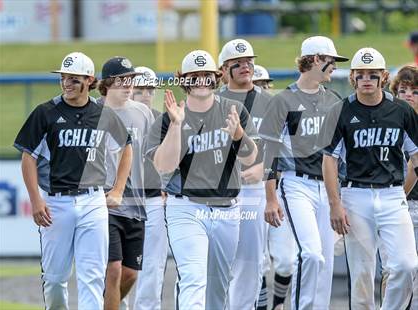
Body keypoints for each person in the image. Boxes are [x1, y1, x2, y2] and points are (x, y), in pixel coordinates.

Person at [13, 52, 132, 310]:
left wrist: (119, 188)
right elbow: (28, 157)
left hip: (93, 201)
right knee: (55, 280)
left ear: (89, 80)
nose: (66, 83)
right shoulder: (45, 112)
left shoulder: (103, 113)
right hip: (56, 203)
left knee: (91, 277)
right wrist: (35, 200)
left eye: (73, 78)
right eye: (64, 77)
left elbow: (126, 147)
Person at [145, 49, 258, 310]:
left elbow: (251, 159)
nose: (201, 81)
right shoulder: (168, 119)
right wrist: (175, 126)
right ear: (183, 80)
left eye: (206, 76)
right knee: (194, 278)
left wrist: (239, 135)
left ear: (216, 78)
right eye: (194, 77)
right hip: (186, 206)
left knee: (218, 286)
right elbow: (164, 165)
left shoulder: (233, 110)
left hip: (227, 207)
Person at [320, 47, 418, 309]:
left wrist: (401, 193)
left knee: (408, 265)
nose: (366, 80)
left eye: (372, 75)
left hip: (392, 193)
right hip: (355, 195)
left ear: (384, 77)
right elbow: (329, 160)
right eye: (360, 74)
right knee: (362, 274)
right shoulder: (340, 110)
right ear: (352, 77)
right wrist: (335, 204)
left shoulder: (401, 110)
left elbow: (416, 157)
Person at [259, 36, 348, 310]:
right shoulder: (283, 100)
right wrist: (271, 198)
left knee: (326, 260)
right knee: (310, 255)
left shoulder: (333, 99)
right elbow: (269, 152)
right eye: (331, 60)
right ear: (316, 59)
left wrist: (340, 198)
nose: (334, 66)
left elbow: (341, 153)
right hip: (296, 185)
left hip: (328, 187)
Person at [217, 38, 272, 310]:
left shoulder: (270, 102)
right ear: (224, 69)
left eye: (249, 61)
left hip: (253, 190)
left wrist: (263, 167)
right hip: (218, 190)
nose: (244, 67)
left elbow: (286, 146)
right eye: (236, 63)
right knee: (218, 262)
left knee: (251, 262)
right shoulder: (212, 101)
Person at [97, 57, 154, 310]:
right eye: (122, 80)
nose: (128, 85)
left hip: (136, 204)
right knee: (114, 270)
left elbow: (152, 154)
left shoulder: (143, 112)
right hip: (105, 202)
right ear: (108, 83)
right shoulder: (92, 111)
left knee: (131, 274)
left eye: (131, 79)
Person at [377, 64, 418, 307]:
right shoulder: (388, 120)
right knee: (394, 271)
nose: (409, 96)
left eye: (415, 91)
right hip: (392, 204)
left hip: (410, 202)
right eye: (403, 91)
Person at [131, 66, 169, 310]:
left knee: (153, 267)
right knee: (117, 267)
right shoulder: (113, 117)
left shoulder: (163, 120)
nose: (146, 94)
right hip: (121, 200)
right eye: (140, 90)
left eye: (150, 89)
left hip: (154, 198)